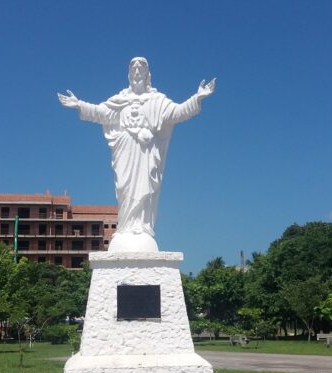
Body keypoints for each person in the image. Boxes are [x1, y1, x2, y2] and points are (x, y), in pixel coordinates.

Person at [58, 57, 215, 251]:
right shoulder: (120, 100)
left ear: (148, 75)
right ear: (129, 75)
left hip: (146, 153)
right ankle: (125, 227)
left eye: (141, 71)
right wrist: (79, 104)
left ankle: (141, 227)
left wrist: (197, 98)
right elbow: (100, 113)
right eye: (134, 71)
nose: (137, 74)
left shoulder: (157, 101)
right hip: (125, 151)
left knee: (144, 189)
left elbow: (177, 112)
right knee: (125, 190)